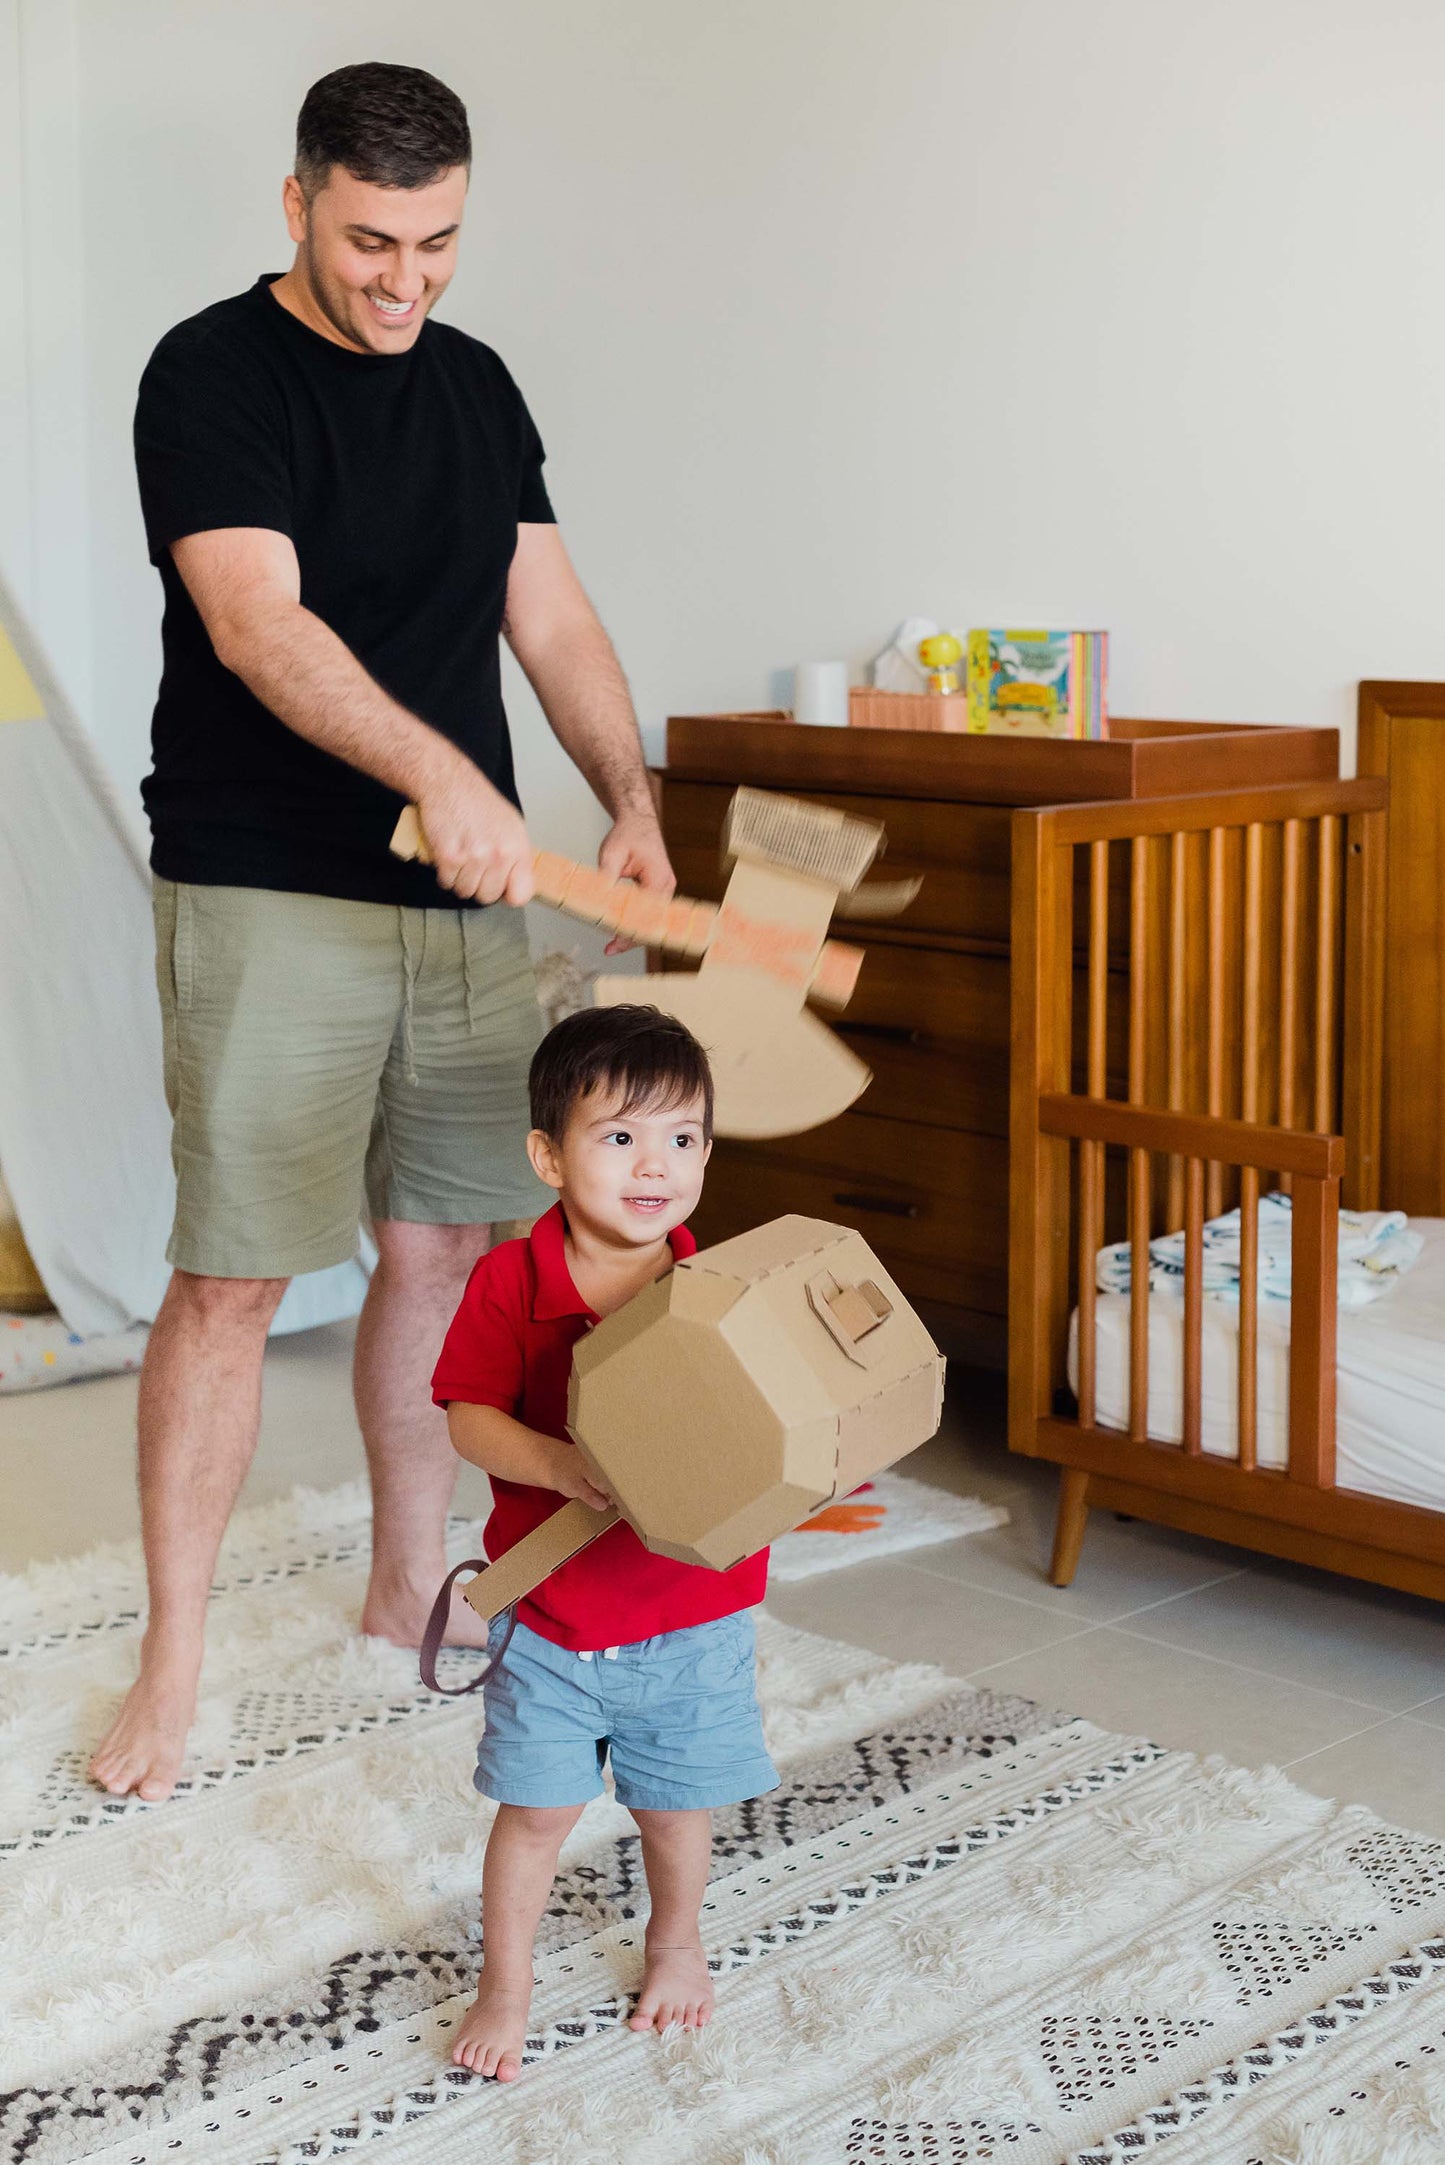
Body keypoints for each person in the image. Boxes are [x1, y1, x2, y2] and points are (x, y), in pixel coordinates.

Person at [88, 61, 674, 1805]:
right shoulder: (211, 373)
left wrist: (624, 795)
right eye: (366, 241)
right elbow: (260, 624)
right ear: (295, 206)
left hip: (471, 906)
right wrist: (438, 768)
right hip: (271, 882)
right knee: (232, 1272)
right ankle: (172, 1662)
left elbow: (548, 615)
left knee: (445, 1255)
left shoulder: (478, 387)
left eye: (436, 242)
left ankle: (407, 1584)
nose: (403, 279)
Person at [432, 1006, 777, 2081]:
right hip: (550, 1620)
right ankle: (507, 1980)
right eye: (618, 1136)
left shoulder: (716, 1291)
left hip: (691, 1617)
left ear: (707, 1156)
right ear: (547, 1154)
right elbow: (465, 1410)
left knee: (676, 1808)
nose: (652, 1165)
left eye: (680, 1139)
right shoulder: (507, 1280)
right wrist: (553, 1462)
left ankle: (674, 1940)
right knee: (532, 1812)